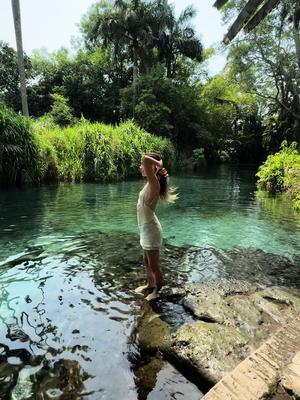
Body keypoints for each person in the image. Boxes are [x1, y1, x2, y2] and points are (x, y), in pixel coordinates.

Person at [135, 152, 177, 301]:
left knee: (154, 265)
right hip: (145, 229)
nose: (140, 167)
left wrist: (159, 164)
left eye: (142, 166)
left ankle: (157, 291)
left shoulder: (154, 184)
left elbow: (146, 159)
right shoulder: (150, 182)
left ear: (151, 167)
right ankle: (150, 284)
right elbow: (147, 161)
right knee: (146, 261)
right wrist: (159, 169)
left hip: (151, 230)